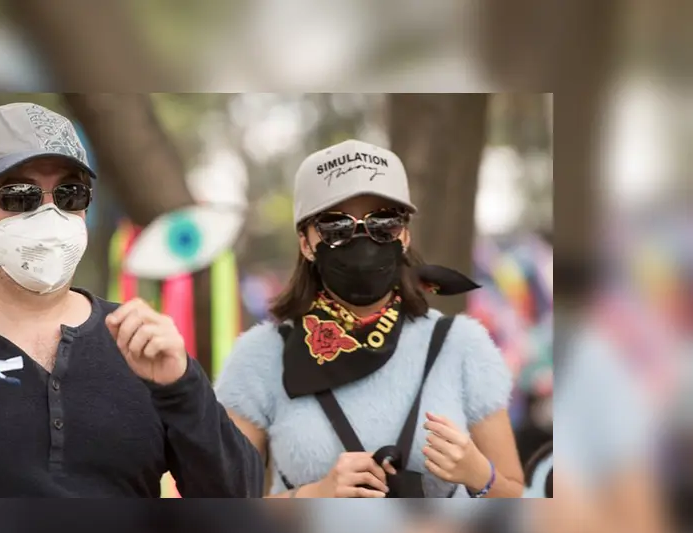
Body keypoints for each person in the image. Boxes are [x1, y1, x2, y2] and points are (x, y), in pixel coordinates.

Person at [0, 102, 263, 498]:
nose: (50, 215)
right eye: (19, 196)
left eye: (69, 195)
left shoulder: (139, 345)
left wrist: (182, 387)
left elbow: (239, 497)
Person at [216, 139, 524, 498]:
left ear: (405, 235)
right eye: (336, 228)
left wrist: (479, 474)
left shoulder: (460, 344)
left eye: (384, 223)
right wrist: (314, 495)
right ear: (305, 242)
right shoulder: (261, 355)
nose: (362, 240)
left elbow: (523, 501)